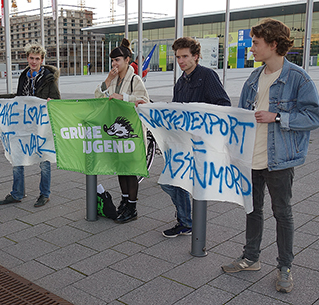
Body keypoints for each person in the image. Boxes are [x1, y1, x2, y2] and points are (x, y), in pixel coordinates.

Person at [221, 18, 319, 294]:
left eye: (256, 43)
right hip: (251, 158)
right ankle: (251, 258)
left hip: (279, 159)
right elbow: (242, 116)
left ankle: (284, 266)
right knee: (252, 210)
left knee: (283, 213)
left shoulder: (297, 77)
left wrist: (277, 116)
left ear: (273, 44)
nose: (251, 49)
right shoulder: (254, 77)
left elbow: (315, 116)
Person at [155, 37, 231, 238]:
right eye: (178, 57)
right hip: (183, 142)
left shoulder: (207, 76)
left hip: (202, 143)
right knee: (169, 181)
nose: (181, 61)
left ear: (196, 56)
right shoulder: (180, 82)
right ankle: (186, 222)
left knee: (186, 183)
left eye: (185, 56)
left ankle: (187, 222)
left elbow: (223, 105)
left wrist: (200, 116)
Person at [0, 43, 60, 208]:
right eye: (31, 58)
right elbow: (19, 97)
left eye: (37, 59)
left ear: (42, 60)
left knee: (43, 159)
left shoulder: (49, 78)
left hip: (41, 125)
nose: (34, 61)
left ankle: (45, 194)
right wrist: (1, 97)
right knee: (17, 155)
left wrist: (51, 102)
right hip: (23, 123)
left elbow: (57, 100)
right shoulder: (24, 76)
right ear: (27, 58)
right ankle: (17, 193)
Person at [94, 38, 150, 224]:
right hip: (116, 131)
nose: (114, 64)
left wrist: (123, 97)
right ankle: (124, 201)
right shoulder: (114, 79)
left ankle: (132, 207)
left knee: (130, 170)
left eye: (117, 60)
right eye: (112, 60)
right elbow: (97, 96)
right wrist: (108, 80)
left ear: (127, 60)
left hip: (131, 131)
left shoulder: (135, 79)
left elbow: (144, 101)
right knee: (121, 168)